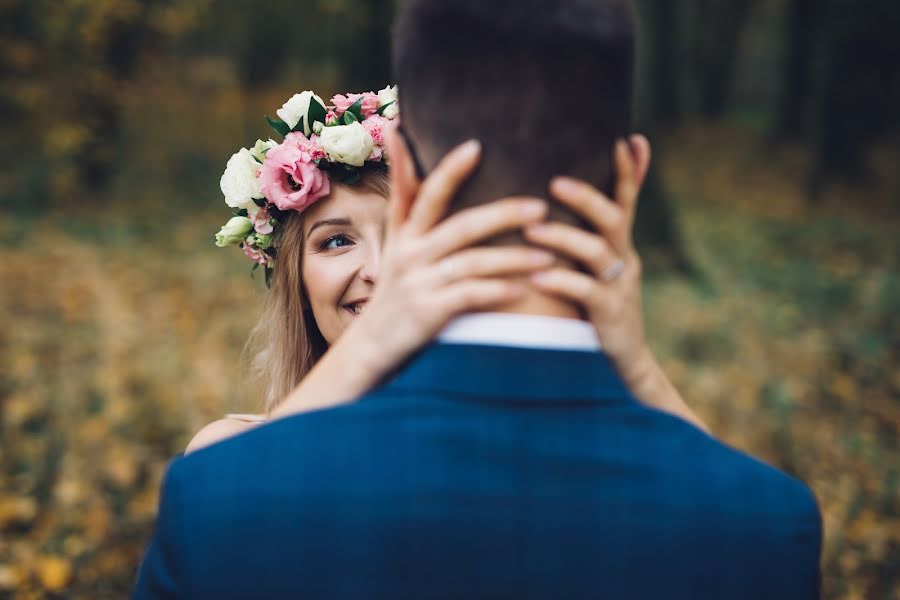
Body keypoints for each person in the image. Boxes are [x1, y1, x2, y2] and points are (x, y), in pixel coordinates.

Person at [135, 1, 822, 598]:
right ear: (631, 172)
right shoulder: (766, 522)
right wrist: (637, 367)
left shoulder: (221, 499)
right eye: (337, 243)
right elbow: (723, 508)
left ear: (402, 170)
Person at [186, 103, 705, 455]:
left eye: (410, 233)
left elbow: (735, 514)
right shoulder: (229, 456)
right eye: (336, 241)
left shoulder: (530, 449)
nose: (380, 270)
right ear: (297, 283)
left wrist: (633, 362)